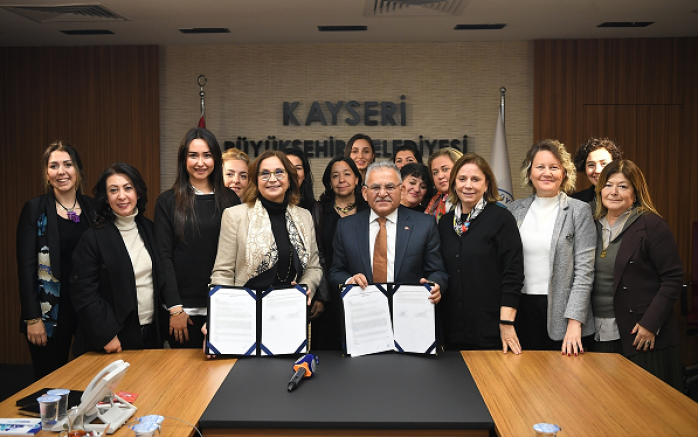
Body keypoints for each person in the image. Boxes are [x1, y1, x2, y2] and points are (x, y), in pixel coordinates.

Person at [591, 159, 683, 390]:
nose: (613, 192)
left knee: (648, 402)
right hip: (599, 333)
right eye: (608, 185)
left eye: (623, 186)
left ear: (635, 193)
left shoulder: (652, 225)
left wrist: (650, 324)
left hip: (641, 335)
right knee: (608, 402)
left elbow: (672, 278)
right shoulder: (590, 224)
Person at [507, 139, 596, 356]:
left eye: (554, 167)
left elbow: (584, 272)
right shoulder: (513, 210)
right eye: (540, 167)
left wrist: (575, 322)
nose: (547, 173)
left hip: (563, 314)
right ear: (529, 172)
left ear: (564, 173)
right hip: (520, 310)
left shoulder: (579, 211)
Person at [154, 128, 240, 349]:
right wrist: (175, 308)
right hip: (183, 312)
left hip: (223, 306)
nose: (200, 162)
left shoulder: (230, 199)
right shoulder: (168, 201)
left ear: (216, 159)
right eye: (193, 155)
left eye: (207, 155)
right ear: (184, 160)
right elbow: (163, 257)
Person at [71, 163, 168, 356]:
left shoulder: (150, 229)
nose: (122, 196)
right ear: (106, 198)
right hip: (113, 339)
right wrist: (106, 334)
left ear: (138, 193)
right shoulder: (93, 238)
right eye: (113, 190)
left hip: (151, 335)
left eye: (128, 188)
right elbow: (84, 292)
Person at [16, 141, 94, 380]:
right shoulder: (35, 209)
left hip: (88, 308)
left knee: (91, 380)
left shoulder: (92, 208)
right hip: (49, 311)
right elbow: (26, 268)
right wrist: (32, 318)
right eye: (54, 166)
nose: (62, 171)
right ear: (46, 174)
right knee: (50, 383)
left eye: (68, 164)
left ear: (78, 170)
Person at [438, 153, 524, 353]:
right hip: (452, 331)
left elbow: (513, 273)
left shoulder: (501, 218)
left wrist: (506, 323)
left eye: (475, 179)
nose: (468, 185)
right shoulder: (445, 223)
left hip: (491, 330)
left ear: (486, 185)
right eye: (462, 179)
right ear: (454, 184)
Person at [210, 149, 323, 298]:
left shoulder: (304, 216)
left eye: (279, 172)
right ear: (256, 181)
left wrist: (306, 287)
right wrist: (228, 306)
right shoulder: (234, 216)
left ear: (290, 180)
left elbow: (314, 268)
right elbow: (223, 272)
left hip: (291, 305)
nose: (272, 179)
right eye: (264, 174)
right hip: (247, 306)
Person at [329, 161, 447, 304]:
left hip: (410, 309)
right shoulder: (345, 227)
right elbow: (336, 272)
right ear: (365, 193)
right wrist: (349, 281)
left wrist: (434, 284)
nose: (383, 193)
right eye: (375, 187)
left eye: (390, 187)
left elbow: (437, 271)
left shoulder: (424, 225)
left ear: (401, 191)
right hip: (364, 310)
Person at [311, 157, 368, 350]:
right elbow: (316, 255)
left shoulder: (369, 210)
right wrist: (321, 295)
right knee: (328, 353)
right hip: (329, 295)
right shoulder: (319, 211)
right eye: (335, 176)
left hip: (363, 291)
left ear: (357, 179)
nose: (341, 180)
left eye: (347, 174)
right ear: (329, 182)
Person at [571, 138, 622, 203]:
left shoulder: (628, 197)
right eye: (591, 165)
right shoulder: (576, 202)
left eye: (604, 163)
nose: (597, 170)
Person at [425, 147, 463, 222]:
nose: (440, 176)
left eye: (445, 169)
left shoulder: (469, 199)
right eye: (435, 173)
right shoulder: (435, 201)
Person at [283, 146, 316, 211]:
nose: (293, 172)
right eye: (287, 168)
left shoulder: (317, 209)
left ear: (305, 174)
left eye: (298, 168)